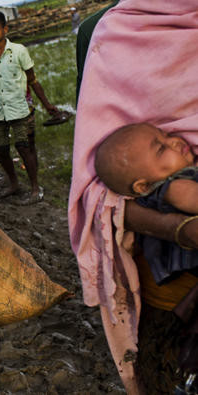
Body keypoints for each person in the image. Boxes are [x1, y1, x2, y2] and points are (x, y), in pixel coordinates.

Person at [70, 2, 198, 392]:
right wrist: (177, 228)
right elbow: (100, 172)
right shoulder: (103, 32)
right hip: (169, 278)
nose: (174, 141)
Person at [94, 123, 198, 284]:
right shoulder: (174, 188)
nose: (175, 141)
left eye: (167, 135)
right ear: (143, 186)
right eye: (161, 149)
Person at [0, 11, 61, 205]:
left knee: (24, 147)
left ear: (5, 29)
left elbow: (32, 80)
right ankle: (14, 182)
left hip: (19, 108)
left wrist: (48, 105)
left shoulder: (19, 51)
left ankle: (35, 188)